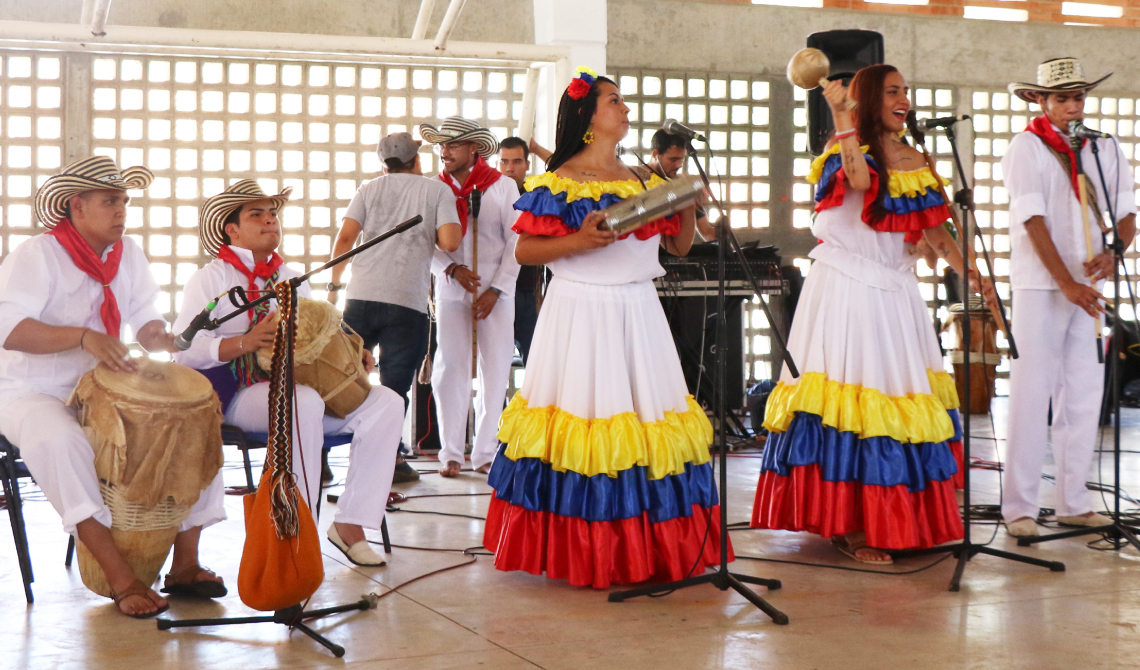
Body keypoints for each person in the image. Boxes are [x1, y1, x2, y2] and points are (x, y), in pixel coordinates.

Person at [482, 67, 718, 589]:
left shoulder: (643, 179)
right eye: (615, 101)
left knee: (647, 421)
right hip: (581, 315)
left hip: (640, 312)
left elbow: (678, 248)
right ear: (589, 117)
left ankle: (649, 546)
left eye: (624, 101)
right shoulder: (561, 179)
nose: (626, 109)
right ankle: (590, 550)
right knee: (589, 422)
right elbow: (523, 251)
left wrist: (684, 203)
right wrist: (577, 243)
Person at [750, 65, 995, 564]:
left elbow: (936, 232)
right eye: (891, 91)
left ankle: (902, 517)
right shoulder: (842, 154)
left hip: (897, 294)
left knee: (898, 405)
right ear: (867, 99)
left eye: (905, 91)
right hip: (849, 290)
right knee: (854, 405)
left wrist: (972, 272)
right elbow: (861, 180)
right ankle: (853, 525)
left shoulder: (918, 159)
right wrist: (842, 115)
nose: (903, 98)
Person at [0, 156, 223, 617]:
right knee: (59, 439)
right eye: (109, 201)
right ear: (76, 207)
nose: (121, 211)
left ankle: (185, 564)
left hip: (102, 387)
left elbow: (144, 318)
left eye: (123, 201)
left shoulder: (130, 255)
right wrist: (83, 337)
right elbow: (8, 329)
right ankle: (120, 578)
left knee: (194, 424)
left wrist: (160, 337)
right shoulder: (37, 254)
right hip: (29, 390)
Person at [175, 180, 405, 567]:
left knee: (386, 402)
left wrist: (353, 351)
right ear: (232, 230)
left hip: (301, 393)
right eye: (257, 215)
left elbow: (320, 333)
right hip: (235, 396)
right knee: (304, 401)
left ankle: (350, 523)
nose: (270, 221)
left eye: (273, 214)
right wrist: (244, 343)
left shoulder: (292, 277)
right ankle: (297, 534)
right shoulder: (209, 280)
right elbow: (184, 352)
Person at [1000, 58, 1137, 538]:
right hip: (1043, 285)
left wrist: (1113, 254)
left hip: (1090, 288)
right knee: (1032, 392)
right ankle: (1018, 508)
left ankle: (1074, 501)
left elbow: (1126, 212)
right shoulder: (1026, 148)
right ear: (1041, 100)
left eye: (1079, 97)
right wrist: (1067, 284)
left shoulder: (1104, 147)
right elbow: (1032, 221)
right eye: (1062, 98)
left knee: (1083, 394)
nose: (1073, 106)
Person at [328, 132, 463, 484]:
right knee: (393, 388)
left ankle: (323, 454)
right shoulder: (436, 191)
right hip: (407, 302)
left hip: (361, 296)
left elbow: (345, 240)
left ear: (383, 162)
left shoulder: (367, 190)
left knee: (343, 377)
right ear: (416, 160)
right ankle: (389, 462)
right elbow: (450, 241)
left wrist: (333, 287)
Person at [420, 117, 521, 476]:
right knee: (451, 368)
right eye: (441, 145)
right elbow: (423, 241)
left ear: (473, 149)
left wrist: (496, 288)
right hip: (451, 289)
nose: (443, 152)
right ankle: (450, 452)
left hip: (497, 291)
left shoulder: (504, 187)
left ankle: (485, 453)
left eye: (451, 145)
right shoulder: (432, 188)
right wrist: (450, 269)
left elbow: (517, 242)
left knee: (494, 369)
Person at [645, 129, 715, 241]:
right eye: (673, 159)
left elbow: (707, 233)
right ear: (655, 155)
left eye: (681, 159)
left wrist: (724, 232)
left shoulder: (681, 186)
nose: (679, 165)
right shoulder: (634, 180)